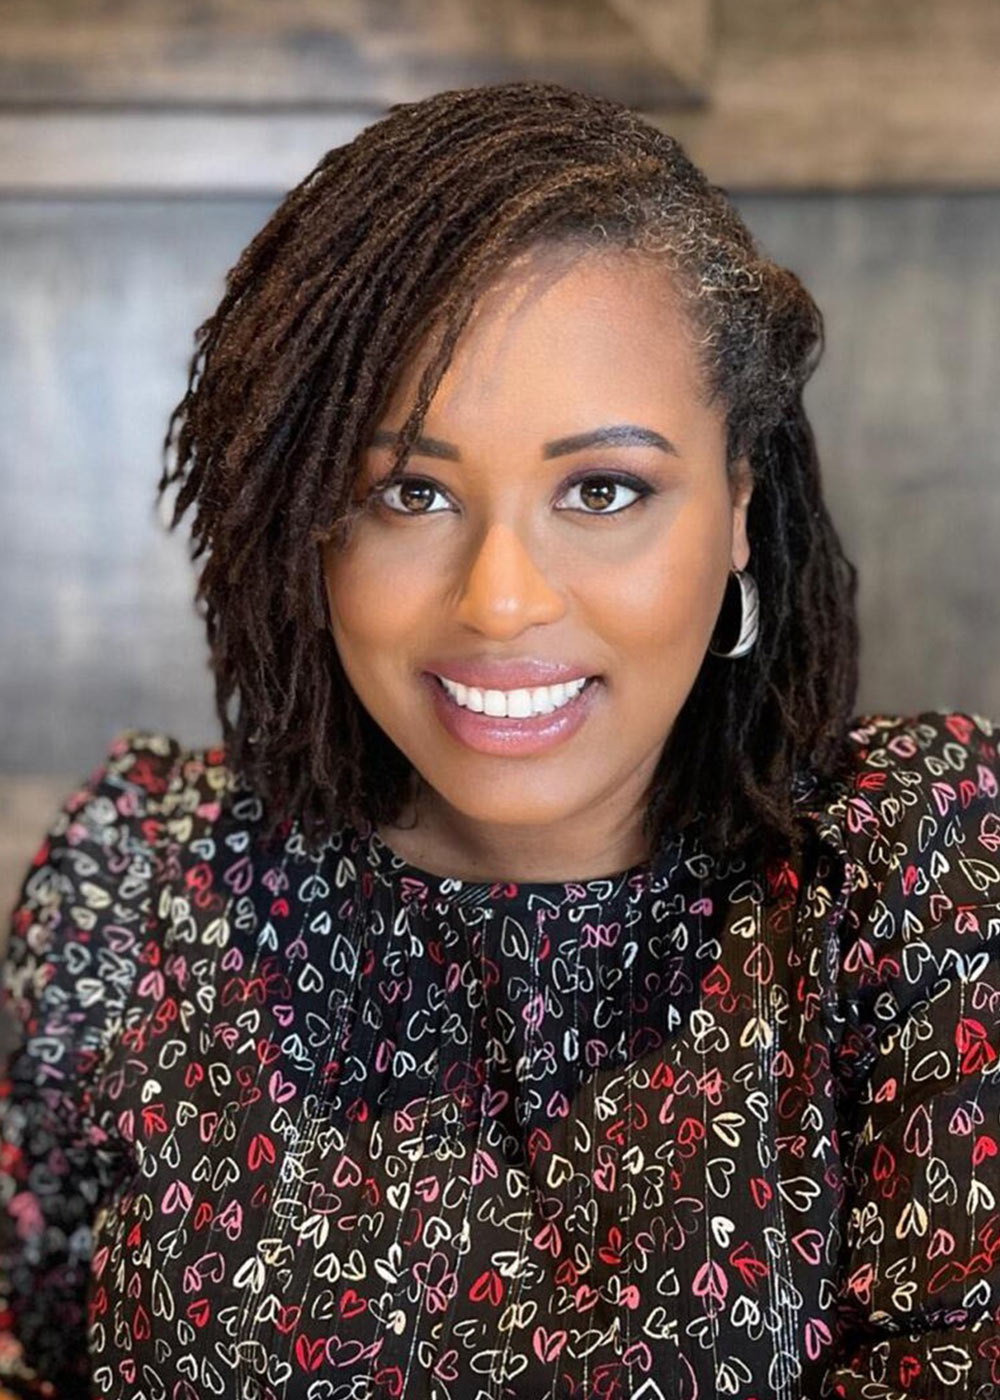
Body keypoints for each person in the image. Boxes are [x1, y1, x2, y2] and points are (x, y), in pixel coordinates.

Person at [0, 79, 997, 1400]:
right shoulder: (138, 882)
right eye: (412, 493)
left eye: (603, 490)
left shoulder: (915, 871)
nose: (501, 601)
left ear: (737, 506)